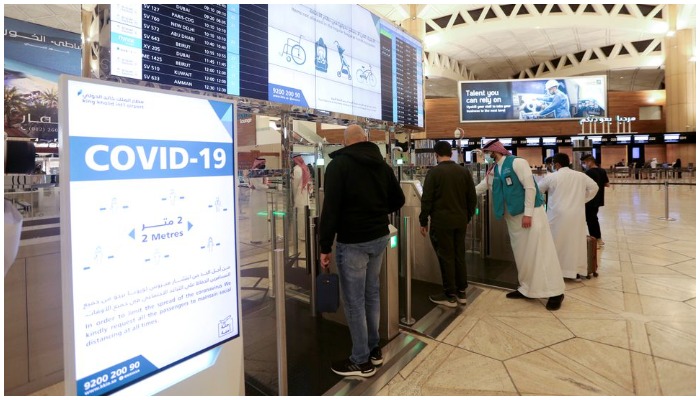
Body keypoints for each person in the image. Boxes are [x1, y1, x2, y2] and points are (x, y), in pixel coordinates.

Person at [319, 124, 405, 378]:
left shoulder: (338, 166)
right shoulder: (382, 165)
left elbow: (331, 209)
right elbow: (398, 200)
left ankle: (361, 361)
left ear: (346, 142)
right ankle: (374, 349)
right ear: (365, 140)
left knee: (355, 302)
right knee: (372, 294)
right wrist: (377, 210)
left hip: (353, 241)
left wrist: (325, 246)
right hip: (379, 237)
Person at [475, 139, 565, 310]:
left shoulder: (517, 162)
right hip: (513, 218)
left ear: (495, 151)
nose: (485, 156)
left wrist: (528, 214)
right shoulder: (494, 169)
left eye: (486, 153)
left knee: (540, 252)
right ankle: (526, 288)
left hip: (530, 215)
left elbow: (530, 188)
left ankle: (556, 292)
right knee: (522, 254)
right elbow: (484, 186)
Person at [419, 141, 477, 307]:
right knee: (459, 255)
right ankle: (461, 292)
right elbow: (471, 198)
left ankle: (449, 294)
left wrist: (423, 221)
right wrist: (467, 216)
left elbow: (427, 199)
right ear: (450, 153)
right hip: (460, 221)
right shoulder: (463, 172)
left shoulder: (434, 173)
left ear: (436, 154)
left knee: (446, 257)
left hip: (441, 222)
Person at [538, 154, 598, 280]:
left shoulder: (552, 177)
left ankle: (557, 269)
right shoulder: (580, 175)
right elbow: (594, 187)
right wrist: (582, 199)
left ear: (557, 164)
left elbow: (538, 190)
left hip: (557, 215)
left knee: (557, 241)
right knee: (575, 242)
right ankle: (575, 270)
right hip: (576, 214)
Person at [581, 154, 610, 248]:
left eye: (584, 162)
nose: (584, 164)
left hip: (589, 199)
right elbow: (607, 184)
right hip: (598, 199)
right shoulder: (602, 171)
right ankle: (599, 239)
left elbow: (583, 186)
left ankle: (595, 241)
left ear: (590, 161)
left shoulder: (588, 172)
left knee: (590, 220)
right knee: (593, 218)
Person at [248, 157, 269, 244]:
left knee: (263, 217)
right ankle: (256, 238)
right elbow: (258, 186)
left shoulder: (261, 172)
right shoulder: (254, 172)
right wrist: (267, 187)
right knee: (256, 218)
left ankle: (264, 237)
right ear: (258, 163)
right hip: (256, 197)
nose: (263, 165)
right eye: (262, 163)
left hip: (262, 197)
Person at [292, 154, 312, 240]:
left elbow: (295, 185)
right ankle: (306, 234)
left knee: (300, 216)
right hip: (306, 195)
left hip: (299, 195)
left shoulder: (297, 169)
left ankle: (301, 236)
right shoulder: (305, 168)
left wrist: (293, 195)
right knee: (305, 215)